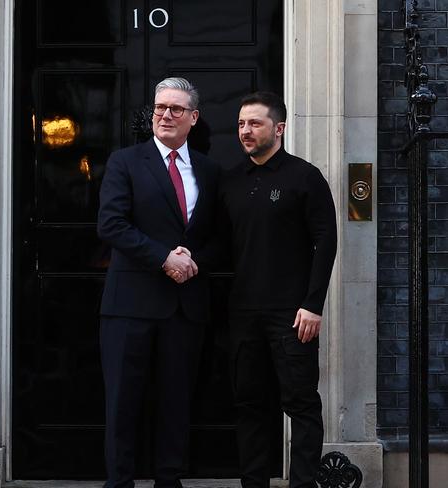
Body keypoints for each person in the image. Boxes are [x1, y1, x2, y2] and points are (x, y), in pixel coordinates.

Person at [97, 77, 220, 488]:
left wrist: (192, 261)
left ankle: (170, 480)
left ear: (194, 118)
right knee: (122, 404)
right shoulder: (125, 162)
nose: (166, 115)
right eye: (159, 108)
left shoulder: (209, 169)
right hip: (130, 305)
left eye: (176, 109)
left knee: (176, 403)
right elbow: (111, 225)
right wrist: (163, 258)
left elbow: (219, 235)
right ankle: (120, 483)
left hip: (185, 307)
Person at [219, 92, 337, 488]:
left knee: (301, 405)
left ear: (279, 128)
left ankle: (303, 483)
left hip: (293, 315)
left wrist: (313, 304)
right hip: (243, 314)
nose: (245, 131)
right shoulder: (231, 181)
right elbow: (218, 243)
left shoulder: (304, 177)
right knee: (250, 405)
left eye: (254, 123)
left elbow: (326, 240)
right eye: (240, 124)